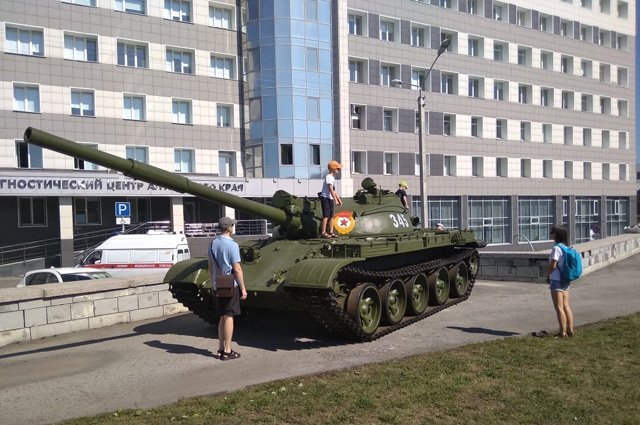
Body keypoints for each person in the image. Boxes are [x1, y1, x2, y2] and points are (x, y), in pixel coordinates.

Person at [208, 217, 248, 360]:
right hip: (230, 286)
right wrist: (243, 288)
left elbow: (210, 265)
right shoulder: (232, 245)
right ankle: (227, 350)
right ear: (229, 228)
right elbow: (237, 269)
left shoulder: (212, 243)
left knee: (222, 317)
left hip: (217, 284)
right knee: (229, 317)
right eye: (232, 225)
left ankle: (220, 348)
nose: (233, 227)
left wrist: (213, 282)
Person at [546, 225, 574, 338]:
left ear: (556, 234)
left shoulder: (556, 248)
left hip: (556, 280)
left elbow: (553, 265)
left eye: (552, 232)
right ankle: (570, 330)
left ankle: (562, 333)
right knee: (566, 306)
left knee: (559, 307)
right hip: (565, 279)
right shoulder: (565, 247)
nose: (550, 233)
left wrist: (547, 275)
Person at [319, 160, 342, 238]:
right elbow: (330, 189)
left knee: (331, 216)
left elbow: (334, 190)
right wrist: (335, 200)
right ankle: (323, 232)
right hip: (325, 197)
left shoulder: (332, 178)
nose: (339, 170)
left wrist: (338, 199)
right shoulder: (328, 177)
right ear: (333, 169)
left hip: (330, 198)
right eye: (338, 168)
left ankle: (331, 232)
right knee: (326, 215)